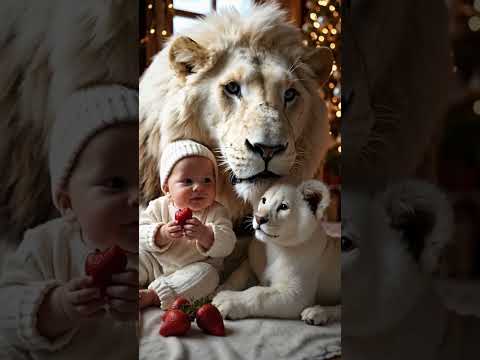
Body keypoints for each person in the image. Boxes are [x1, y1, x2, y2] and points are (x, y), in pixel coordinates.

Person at [0, 85, 139, 359]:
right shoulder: (46, 245)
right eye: (115, 183)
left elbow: (181, 306)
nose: (137, 198)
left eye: (144, 182)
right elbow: (6, 310)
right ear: (67, 203)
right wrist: (56, 308)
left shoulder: (160, 245)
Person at [139, 140, 236, 310]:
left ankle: (155, 295)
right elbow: (140, 234)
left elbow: (228, 244)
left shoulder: (217, 211)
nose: (198, 187)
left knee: (209, 276)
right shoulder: (158, 206)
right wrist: (161, 233)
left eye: (207, 180)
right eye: (188, 181)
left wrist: (206, 235)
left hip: (192, 270)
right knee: (137, 255)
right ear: (167, 188)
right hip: (155, 262)